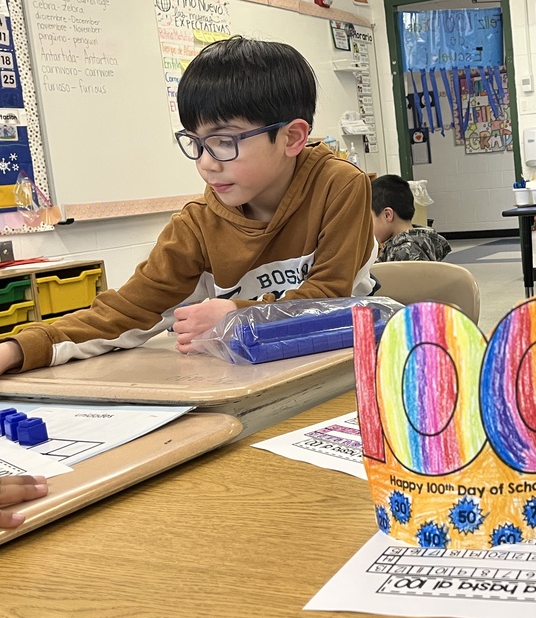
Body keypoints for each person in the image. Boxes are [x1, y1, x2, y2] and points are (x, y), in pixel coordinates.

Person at [0, 37, 377, 375]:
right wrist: (17, 349)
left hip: (343, 370)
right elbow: (124, 312)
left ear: (291, 137)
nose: (206, 163)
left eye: (224, 141)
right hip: (251, 380)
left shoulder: (339, 186)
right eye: (195, 143)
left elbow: (330, 299)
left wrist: (235, 316)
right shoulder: (197, 224)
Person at [371, 174, 451, 262]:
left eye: (370, 220)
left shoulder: (406, 254)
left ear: (387, 215)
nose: (368, 228)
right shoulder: (419, 242)